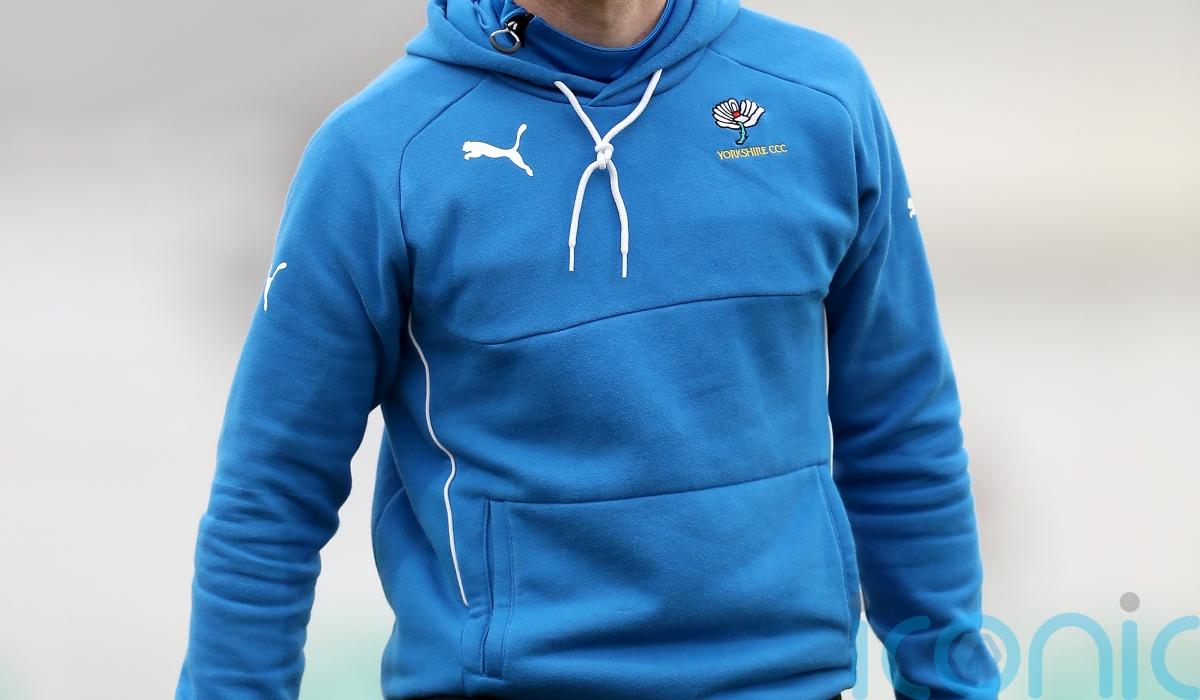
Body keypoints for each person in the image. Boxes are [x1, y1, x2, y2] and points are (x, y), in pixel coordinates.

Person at [175, 0, 1001, 698]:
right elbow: (271, 494)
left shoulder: (818, 97)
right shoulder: (377, 154)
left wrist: (952, 684)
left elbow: (901, 430)